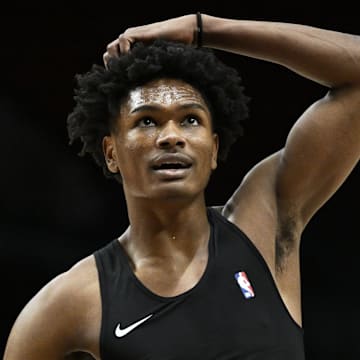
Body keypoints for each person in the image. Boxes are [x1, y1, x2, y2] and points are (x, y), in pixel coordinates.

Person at [3, 12, 360, 360]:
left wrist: (203, 27)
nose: (171, 137)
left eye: (190, 120)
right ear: (111, 152)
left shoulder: (263, 224)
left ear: (214, 148)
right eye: (147, 121)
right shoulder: (71, 302)